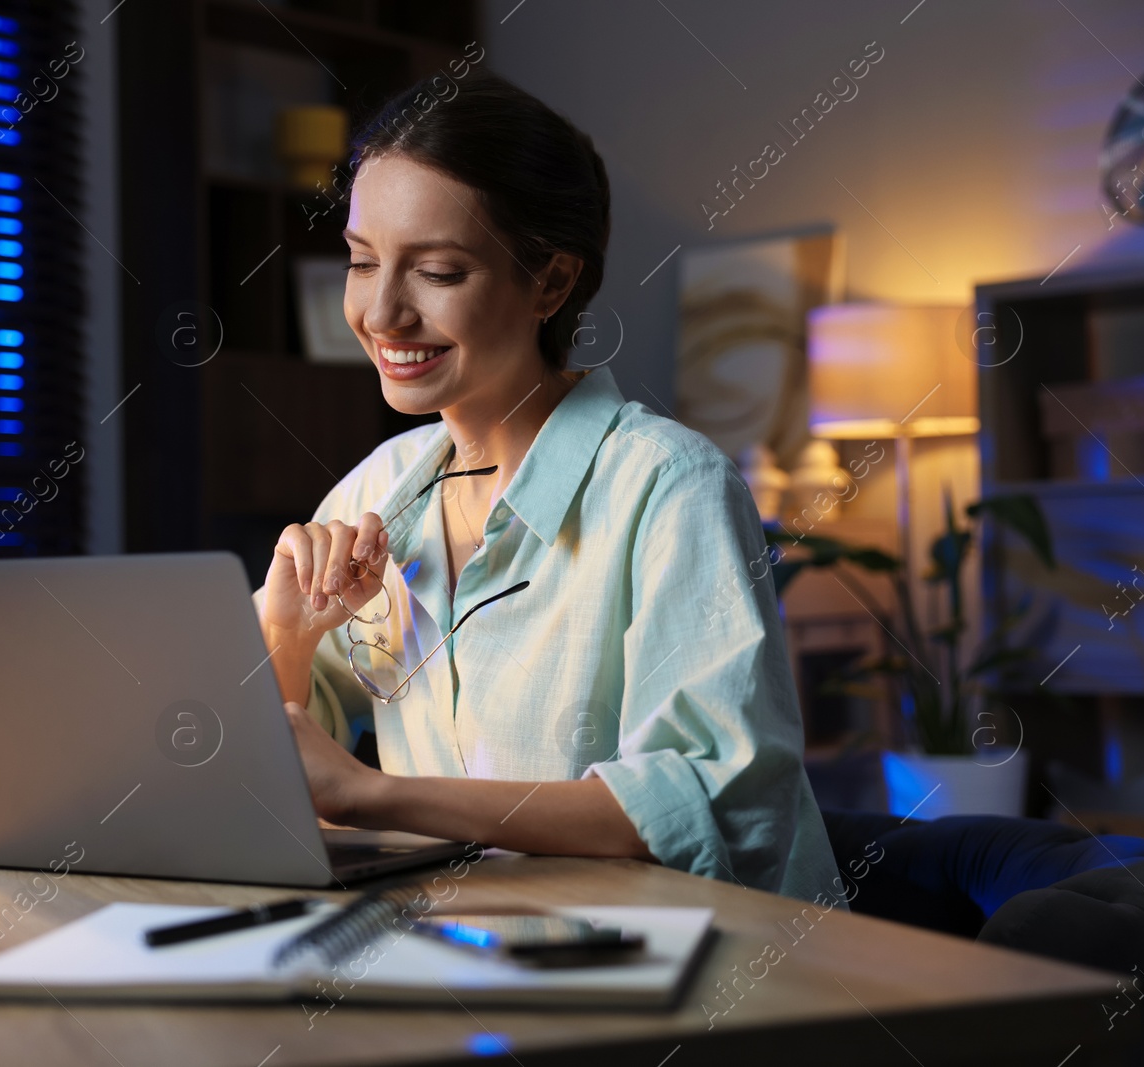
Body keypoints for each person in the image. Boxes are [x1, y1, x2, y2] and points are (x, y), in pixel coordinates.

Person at [253, 69, 841, 903]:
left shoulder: (669, 487)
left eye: (440, 272)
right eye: (361, 261)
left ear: (553, 284)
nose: (382, 313)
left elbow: (713, 800)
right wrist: (287, 635)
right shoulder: (377, 489)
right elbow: (262, 770)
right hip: (479, 952)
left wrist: (372, 791)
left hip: (706, 972)